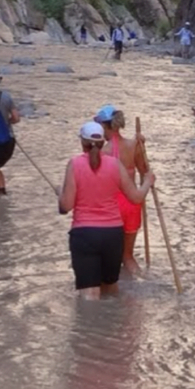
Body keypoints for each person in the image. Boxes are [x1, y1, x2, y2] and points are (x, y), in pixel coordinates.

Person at [58, 120, 154, 298]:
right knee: (111, 290)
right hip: (113, 235)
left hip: (84, 234)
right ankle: (111, 324)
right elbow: (136, 197)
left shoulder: (75, 164)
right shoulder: (115, 165)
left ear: (82, 142)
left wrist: (60, 194)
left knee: (90, 293)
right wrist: (147, 182)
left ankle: (89, 326)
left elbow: (66, 206)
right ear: (102, 142)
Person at [94, 105, 144, 277]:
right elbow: (145, 172)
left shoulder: (103, 152)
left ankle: (112, 296)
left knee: (108, 257)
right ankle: (141, 280)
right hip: (133, 203)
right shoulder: (134, 145)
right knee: (128, 257)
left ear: (105, 127)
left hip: (113, 206)